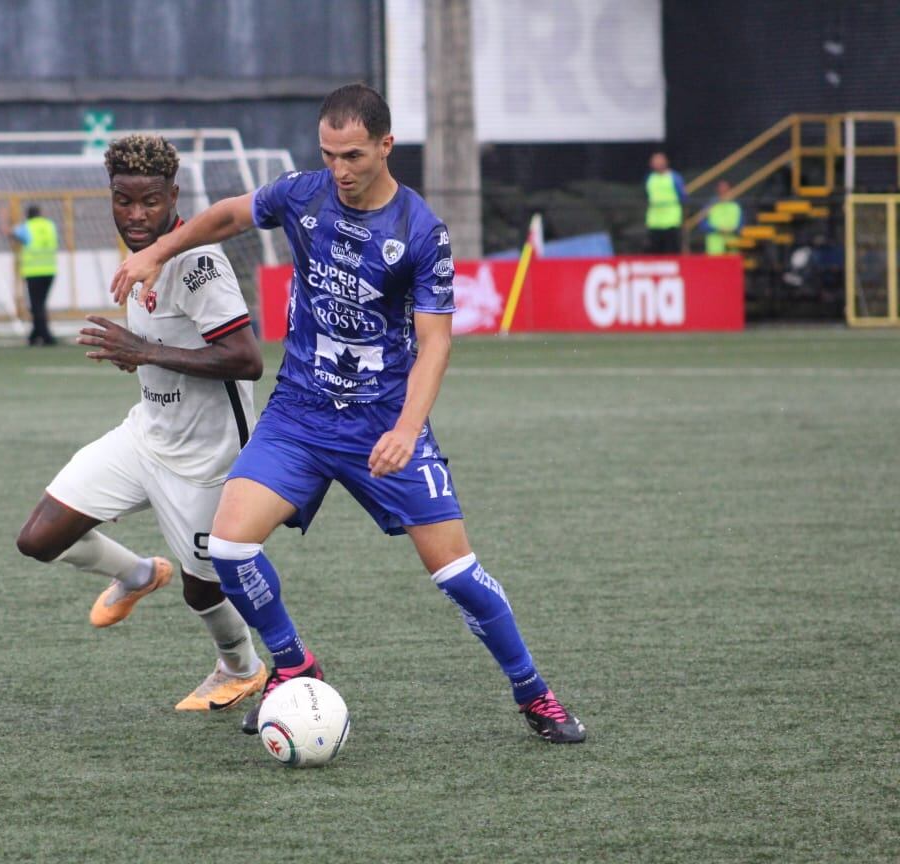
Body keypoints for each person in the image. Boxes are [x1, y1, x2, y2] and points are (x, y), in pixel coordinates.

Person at [111, 84, 586, 744]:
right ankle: (293, 665)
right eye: (329, 154)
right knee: (228, 545)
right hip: (300, 414)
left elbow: (436, 342)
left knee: (457, 575)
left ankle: (534, 693)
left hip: (383, 423)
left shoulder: (421, 232)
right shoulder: (304, 195)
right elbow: (226, 216)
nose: (339, 170)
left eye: (353, 156)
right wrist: (156, 252)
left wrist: (405, 429)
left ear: (387, 146)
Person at [16, 134, 269, 712]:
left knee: (203, 588)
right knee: (40, 539)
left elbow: (247, 360)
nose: (135, 215)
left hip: (208, 460)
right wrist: (143, 351)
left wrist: (144, 351)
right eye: (123, 200)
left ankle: (241, 669)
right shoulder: (140, 254)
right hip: (145, 437)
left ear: (173, 196)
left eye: (150, 202)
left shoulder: (199, 264)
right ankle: (135, 574)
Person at [3, 204, 60, 346]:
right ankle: (34, 335)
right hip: (50, 270)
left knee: (36, 305)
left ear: (27, 215)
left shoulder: (27, 227)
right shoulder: (49, 225)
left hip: (33, 271)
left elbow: (9, 233)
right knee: (40, 304)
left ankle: (46, 336)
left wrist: (4, 219)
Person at [645, 152, 686, 254]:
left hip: (671, 221)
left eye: (660, 161)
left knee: (672, 252)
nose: (658, 163)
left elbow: (683, 196)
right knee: (655, 253)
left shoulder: (674, 177)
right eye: (655, 161)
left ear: (666, 162)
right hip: (654, 221)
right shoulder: (649, 178)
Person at [703, 180, 743, 255]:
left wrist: (732, 229)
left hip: (732, 245)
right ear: (717, 191)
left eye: (725, 190)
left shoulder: (736, 206)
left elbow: (741, 225)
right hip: (714, 247)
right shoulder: (710, 206)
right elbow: (702, 224)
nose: (723, 193)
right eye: (721, 190)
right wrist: (717, 229)